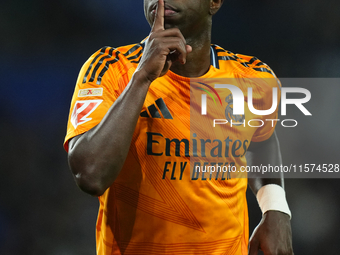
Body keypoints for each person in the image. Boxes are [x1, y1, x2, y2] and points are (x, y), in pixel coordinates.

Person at [64, 0, 293, 254]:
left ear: (214, 2)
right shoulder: (110, 69)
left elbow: (260, 138)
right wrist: (142, 78)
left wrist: (275, 207)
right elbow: (90, 175)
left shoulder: (253, 78)